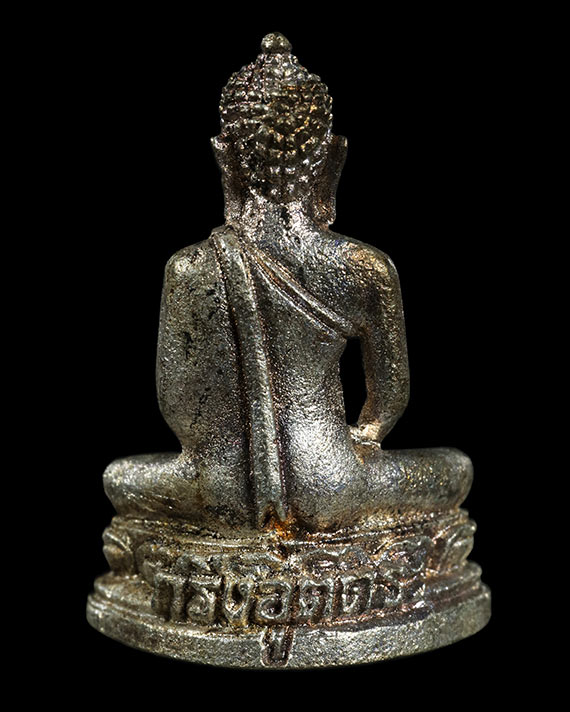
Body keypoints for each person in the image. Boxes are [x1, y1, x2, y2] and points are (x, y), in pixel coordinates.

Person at [104, 34, 472, 534]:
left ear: (223, 157)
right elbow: (389, 400)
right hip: (334, 479)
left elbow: (179, 411)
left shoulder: (188, 269)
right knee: (454, 468)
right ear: (334, 157)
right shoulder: (367, 267)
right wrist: (360, 441)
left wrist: (222, 458)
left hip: (218, 488)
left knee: (119, 477)